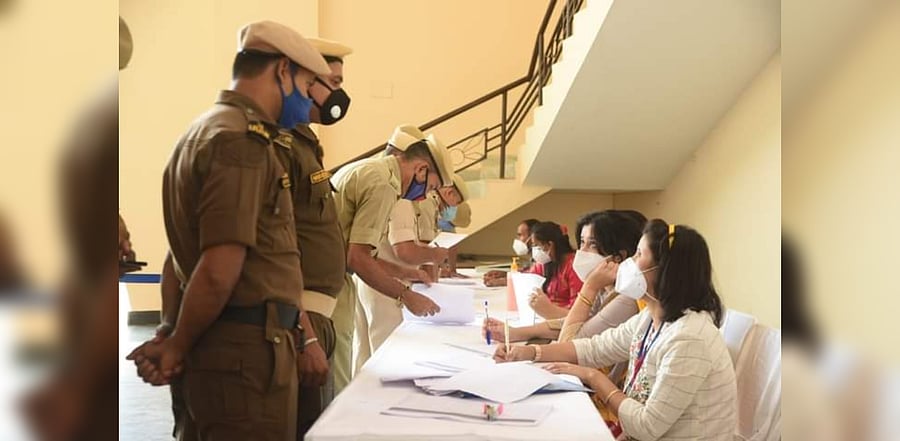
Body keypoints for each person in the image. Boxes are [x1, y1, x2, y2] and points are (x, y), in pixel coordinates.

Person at [127, 21, 332, 440]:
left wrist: (171, 331)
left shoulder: (202, 130)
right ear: (281, 71)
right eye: (309, 82)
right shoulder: (240, 143)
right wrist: (177, 346)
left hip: (227, 352)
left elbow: (177, 256)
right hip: (243, 362)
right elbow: (220, 267)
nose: (310, 97)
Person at [495, 220, 736, 440]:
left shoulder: (689, 338)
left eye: (639, 254)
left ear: (665, 271)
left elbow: (647, 427)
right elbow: (595, 347)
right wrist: (527, 353)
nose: (629, 263)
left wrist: (592, 376)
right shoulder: (651, 318)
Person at [268, 36, 354, 438]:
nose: (339, 94)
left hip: (317, 313)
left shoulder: (305, 143)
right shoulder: (281, 143)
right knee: (299, 425)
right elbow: (273, 243)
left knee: (311, 423)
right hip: (297, 315)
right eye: (330, 82)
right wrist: (304, 331)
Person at [330, 123, 453, 392]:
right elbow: (357, 258)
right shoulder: (384, 185)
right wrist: (406, 296)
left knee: (351, 363)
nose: (423, 196)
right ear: (420, 169)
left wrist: (410, 274)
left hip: (334, 277)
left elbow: (365, 253)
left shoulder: (370, 169)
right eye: (429, 187)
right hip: (329, 282)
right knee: (334, 379)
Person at [484, 210, 644, 343]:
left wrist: (589, 286)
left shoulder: (626, 299)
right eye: (582, 242)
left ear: (619, 257)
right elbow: (574, 324)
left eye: (592, 244)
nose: (582, 252)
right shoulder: (604, 289)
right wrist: (514, 333)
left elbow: (570, 341)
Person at [522, 221, 583, 320]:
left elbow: (576, 309)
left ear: (549, 245)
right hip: (546, 315)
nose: (534, 250)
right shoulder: (546, 263)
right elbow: (527, 276)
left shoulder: (573, 266)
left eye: (536, 245)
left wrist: (550, 309)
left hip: (565, 318)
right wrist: (504, 277)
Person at [483, 218, 539, 286]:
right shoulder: (533, 258)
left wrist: (506, 281)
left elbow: (536, 280)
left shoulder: (542, 259)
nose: (518, 239)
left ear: (532, 237)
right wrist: (507, 275)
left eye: (520, 235)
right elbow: (528, 273)